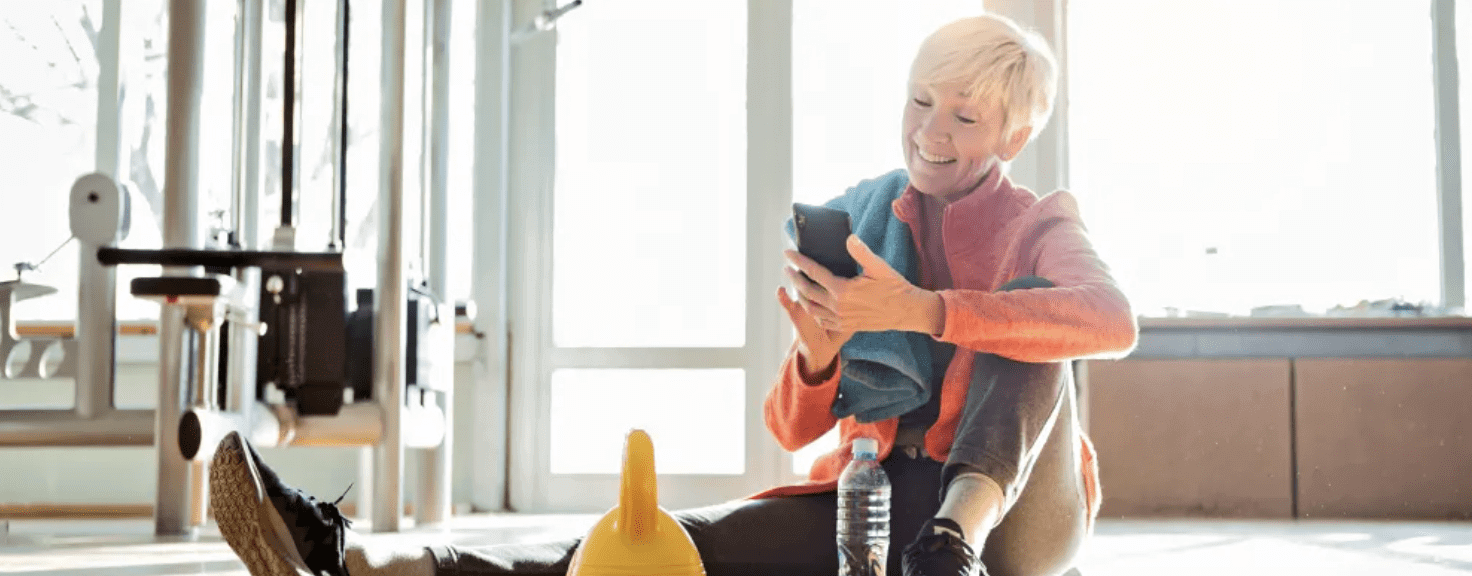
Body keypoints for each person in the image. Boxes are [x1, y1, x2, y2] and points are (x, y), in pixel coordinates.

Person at [206, 12, 1136, 576]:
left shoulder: (1039, 220)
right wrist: (820, 354)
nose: (928, 131)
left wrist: (926, 313)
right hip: (879, 493)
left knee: (1038, 330)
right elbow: (790, 426)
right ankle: (360, 559)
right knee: (662, 548)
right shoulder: (866, 222)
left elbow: (1110, 321)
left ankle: (951, 542)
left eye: (963, 116)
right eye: (919, 100)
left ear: (1009, 137)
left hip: (1016, 525)